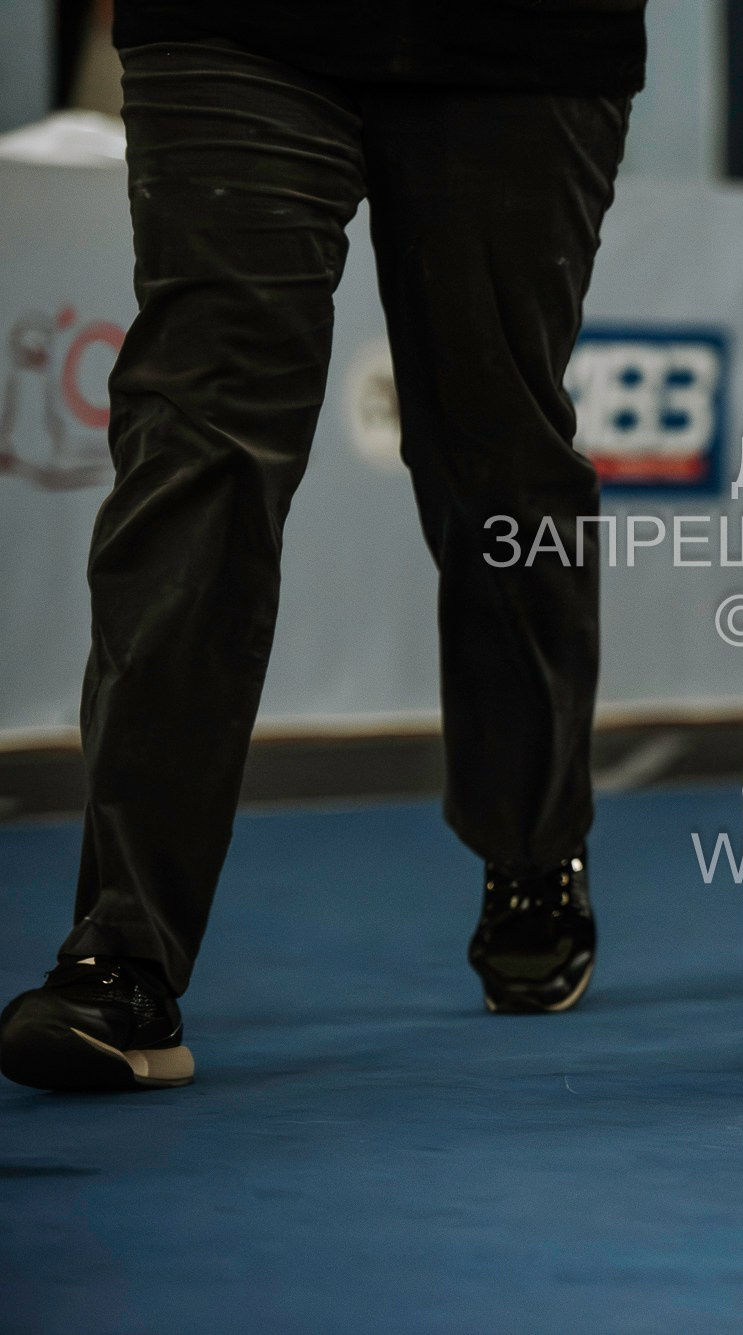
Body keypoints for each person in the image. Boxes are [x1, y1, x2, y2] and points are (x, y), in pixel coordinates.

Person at [0, 0, 646, 1092]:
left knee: (498, 462)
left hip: (521, 42)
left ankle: (534, 839)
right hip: (234, 25)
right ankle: (123, 952)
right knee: (197, 450)